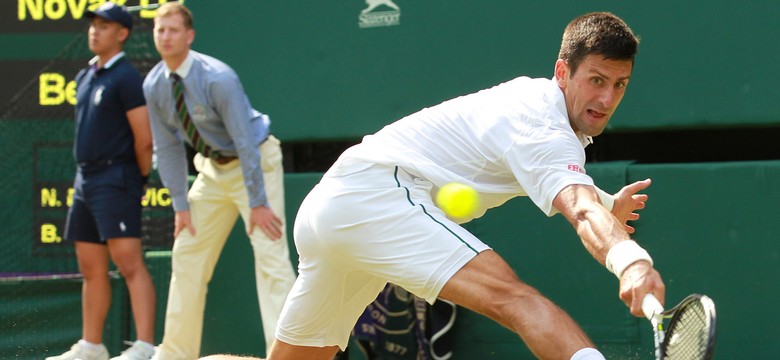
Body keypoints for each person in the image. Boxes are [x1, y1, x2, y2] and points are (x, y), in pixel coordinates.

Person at [205, 11, 666, 360]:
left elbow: (572, 190)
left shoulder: (534, 109)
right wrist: (631, 261)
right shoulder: (543, 124)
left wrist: (606, 206)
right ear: (563, 72)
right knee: (515, 299)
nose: (606, 99)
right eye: (596, 80)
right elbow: (578, 207)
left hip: (333, 205)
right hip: (377, 196)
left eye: (619, 85)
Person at [142, 3, 297, 359]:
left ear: (189, 35)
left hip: (255, 162)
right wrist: (181, 205)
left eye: (172, 30)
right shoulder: (154, 85)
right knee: (186, 254)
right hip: (211, 171)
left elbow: (245, 142)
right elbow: (166, 148)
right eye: (159, 30)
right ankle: (175, 353)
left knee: (270, 255)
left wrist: (258, 202)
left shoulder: (217, 77)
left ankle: (287, 353)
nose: (165, 37)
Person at [47, 3, 157, 360]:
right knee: (90, 267)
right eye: (93, 24)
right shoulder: (85, 76)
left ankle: (144, 347)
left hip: (117, 177)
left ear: (122, 34)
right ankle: (92, 346)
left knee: (128, 261)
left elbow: (144, 139)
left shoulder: (126, 77)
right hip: (86, 180)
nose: (95, 31)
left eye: (104, 26)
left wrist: (136, 178)